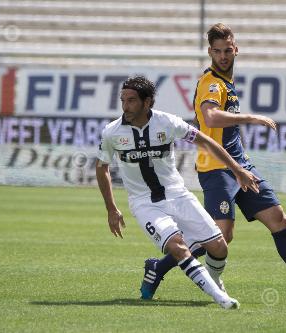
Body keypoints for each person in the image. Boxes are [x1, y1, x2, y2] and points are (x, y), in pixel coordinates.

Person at [142, 23, 286, 305]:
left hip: (242, 166)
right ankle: (158, 267)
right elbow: (210, 118)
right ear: (210, 52)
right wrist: (251, 118)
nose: (223, 55)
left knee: (279, 220)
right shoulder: (211, 82)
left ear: (235, 49)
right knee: (220, 235)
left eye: (227, 50)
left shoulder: (227, 83)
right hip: (216, 169)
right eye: (217, 51)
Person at [96, 75, 262, 309]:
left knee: (219, 247)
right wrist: (112, 208)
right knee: (176, 245)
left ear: (147, 102)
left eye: (132, 100)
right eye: (123, 100)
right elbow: (101, 167)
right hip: (145, 203)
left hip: (178, 195)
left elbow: (207, 142)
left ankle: (209, 280)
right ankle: (220, 297)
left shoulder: (168, 123)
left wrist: (237, 170)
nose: (125, 106)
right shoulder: (111, 132)